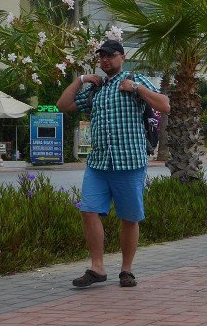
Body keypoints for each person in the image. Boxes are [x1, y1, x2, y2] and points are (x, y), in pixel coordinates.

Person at [56, 39, 170, 289]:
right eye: (102, 56)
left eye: (110, 55)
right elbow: (63, 105)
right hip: (98, 163)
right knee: (88, 210)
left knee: (129, 218)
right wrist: (81, 80)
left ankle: (126, 270)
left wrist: (137, 89)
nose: (105, 60)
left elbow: (164, 105)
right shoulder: (96, 88)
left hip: (129, 161)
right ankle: (97, 267)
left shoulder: (134, 80)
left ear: (122, 57)